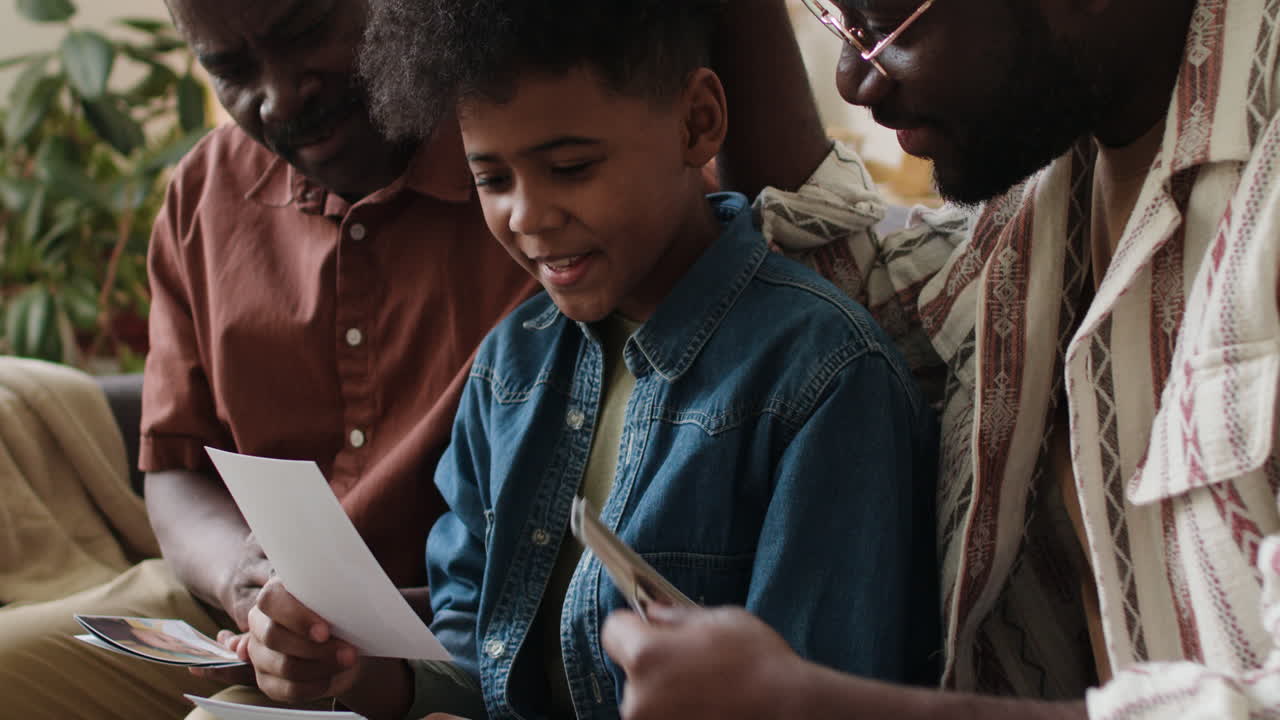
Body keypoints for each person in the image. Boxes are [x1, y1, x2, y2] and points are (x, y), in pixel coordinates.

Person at [0, 1, 844, 718]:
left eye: (304, 33)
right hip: (240, 618)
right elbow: (172, 464)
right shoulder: (205, 194)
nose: (279, 94)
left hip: (436, 643)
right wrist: (248, 581)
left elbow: (775, 260)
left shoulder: (565, 180)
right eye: (228, 66)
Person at [212, 1, 940, 718]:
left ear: (697, 124)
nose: (526, 216)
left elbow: (816, 696)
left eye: (568, 166)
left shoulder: (822, 377)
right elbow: (472, 663)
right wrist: (350, 667)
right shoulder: (508, 369)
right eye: (492, 180)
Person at [600, 0, 1280, 718]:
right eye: (838, 19)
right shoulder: (1049, 178)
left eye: (884, 21)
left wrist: (820, 707)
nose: (854, 81)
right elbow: (844, 306)